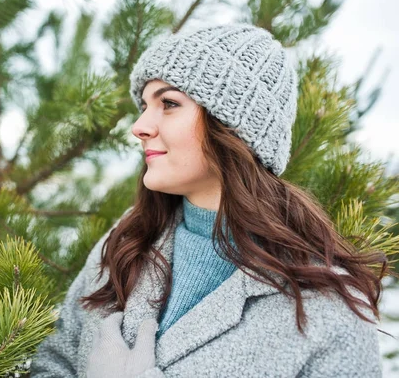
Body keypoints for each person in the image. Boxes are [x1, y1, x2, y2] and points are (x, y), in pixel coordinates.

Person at [29, 24, 388, 377]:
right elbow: (53, 362)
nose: (139, 126)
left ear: (231, 127)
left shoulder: (327, 309)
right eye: (144, 105)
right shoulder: (125, 241)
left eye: (168, 103)